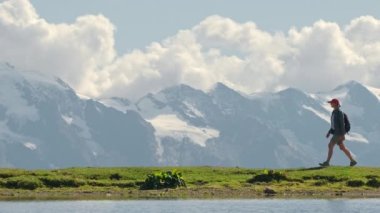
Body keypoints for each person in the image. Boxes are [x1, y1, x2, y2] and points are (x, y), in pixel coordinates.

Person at [319, 98, 357, 167]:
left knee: (330, 145)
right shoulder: (334, 112)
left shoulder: (339, 113)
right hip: (338, 133)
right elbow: (334, 124)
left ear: (335, 104)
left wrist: (342, 135)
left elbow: (342, 125)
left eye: (331, 103)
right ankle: (353, 161)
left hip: (338, 134)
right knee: (342, 148)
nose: (330, 104)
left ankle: (327, 162)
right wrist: (329, 132)